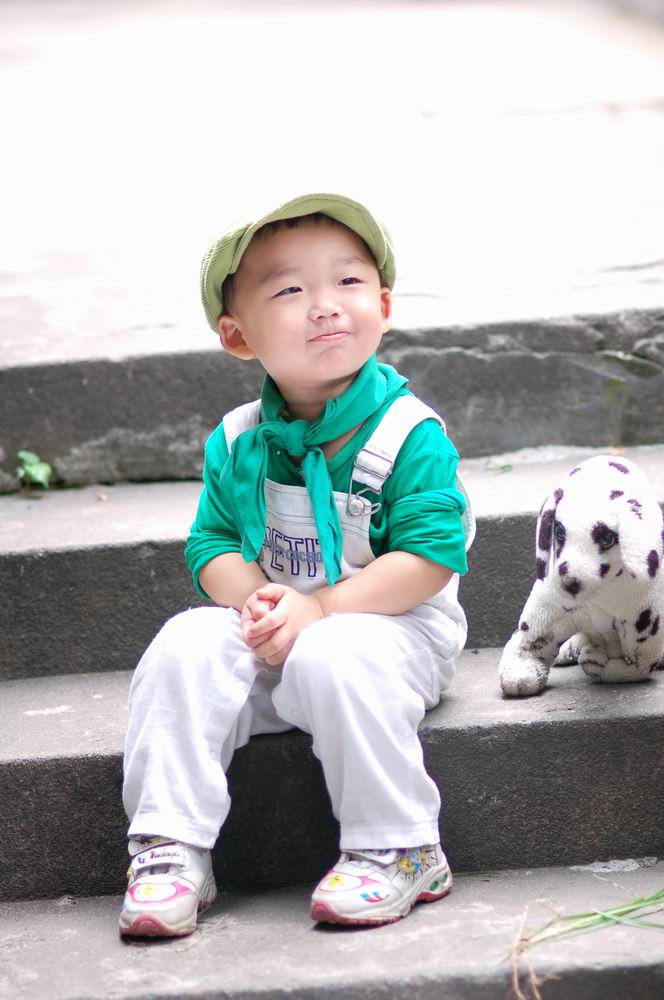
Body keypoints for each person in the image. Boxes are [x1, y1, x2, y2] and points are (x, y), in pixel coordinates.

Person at [119, 192, 474, 937]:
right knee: (185, 643)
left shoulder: (408, 434)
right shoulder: (238, 438)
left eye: (348, 282)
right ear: (237, 335)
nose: (325, 305)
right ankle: (169, 845)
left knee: (334, 651)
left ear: (383, 305)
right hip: (281, 630)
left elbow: (428, 559)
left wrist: (318, 611)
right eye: (289, 290)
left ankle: (401, 845)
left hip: (391, 636)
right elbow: (212, 544)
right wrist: (257, 600)